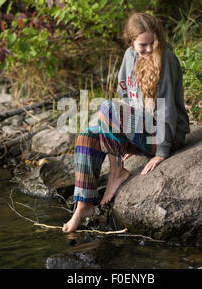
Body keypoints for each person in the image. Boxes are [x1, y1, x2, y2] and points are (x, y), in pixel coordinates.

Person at [62, 12, 190, 233]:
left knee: (107, 108)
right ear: (131, 42)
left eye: (153, 43)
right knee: (86, 136)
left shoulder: (166, 59)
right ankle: (83, 205)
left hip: (165, 135)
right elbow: (123, 95)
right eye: (143, 45)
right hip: (141, 131)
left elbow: (167, 107)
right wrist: (121, 137)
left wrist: (161, 151)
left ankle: (117, 173)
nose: (149, 50)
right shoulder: (129, 56)